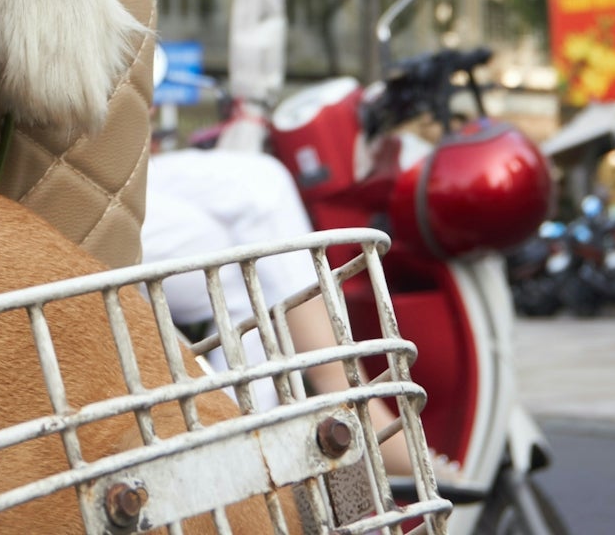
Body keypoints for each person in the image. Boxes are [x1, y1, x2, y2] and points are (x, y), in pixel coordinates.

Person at [143, 145, 449, 476]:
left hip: (120, 163)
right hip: (93, 178)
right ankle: (337, 386)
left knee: (243, 265)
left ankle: (254, 431)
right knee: (262, 191)